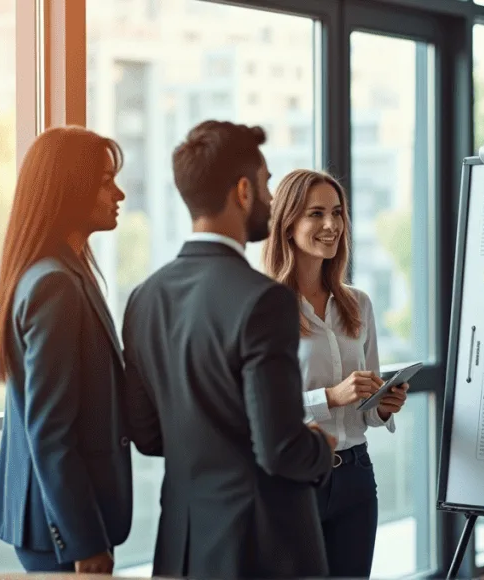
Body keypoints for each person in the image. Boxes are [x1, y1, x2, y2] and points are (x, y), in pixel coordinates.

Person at [121, 121, 335, 579]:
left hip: (182, 545)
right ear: (243, 191)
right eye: (266, 184)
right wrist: (320, 446)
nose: (272, 198)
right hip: (261, 549)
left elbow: (147, 434)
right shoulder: (264, 300)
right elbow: (279, 450)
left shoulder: (144, 297)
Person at [0, 126, 132, 573]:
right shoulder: (55, 285)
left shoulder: (61, 274)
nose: (119, 193)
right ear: (70, 187)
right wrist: (84, 545)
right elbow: (51, 433)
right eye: (106, 180)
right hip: (62, 533)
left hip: (59, 523)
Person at [262, 168, 409, 577]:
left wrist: (382, 407)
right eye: (316, 214)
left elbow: (364, 411)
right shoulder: (265, 307)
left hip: (356, 477)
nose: (331, 226)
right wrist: (328, 397)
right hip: (296, 478)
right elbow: (259, 408)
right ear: (288, 224)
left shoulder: (357, 304)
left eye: (338, 213)